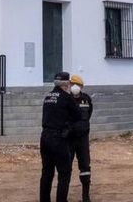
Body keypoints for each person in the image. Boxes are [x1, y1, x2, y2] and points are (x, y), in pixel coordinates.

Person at [40, 71, 83, 202]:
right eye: (69, 83)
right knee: (64, 173)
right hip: (58, 138)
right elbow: (78, 116)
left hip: (45, 137)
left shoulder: (47, 96)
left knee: (47, 172)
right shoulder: (66, 97)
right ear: (66, 84)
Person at [69, 74, 94, 202]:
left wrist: (82, 128)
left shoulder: (86, 99)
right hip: (69, 139)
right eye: (72, 83)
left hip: (82, 139)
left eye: (77, 85)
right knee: (66, 167)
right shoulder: (66, 99)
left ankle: (86, 197)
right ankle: (63, 196)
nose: (74, 86)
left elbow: (89, 115)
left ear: (81, 87)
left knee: (85, 166)